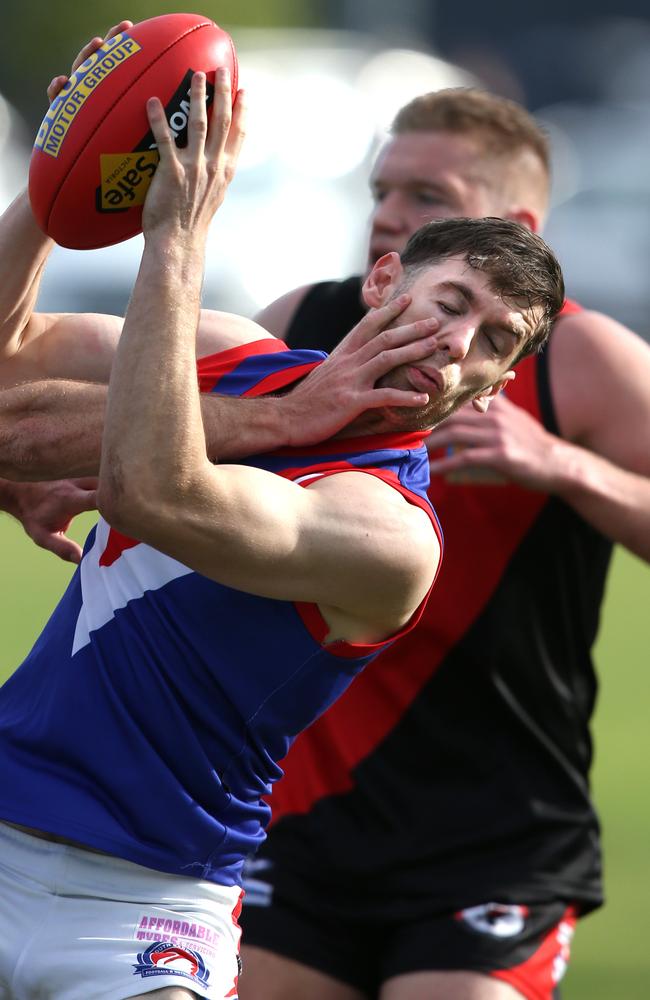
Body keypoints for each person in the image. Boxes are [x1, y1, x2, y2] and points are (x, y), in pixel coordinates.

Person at [0, 49, 565, 1000]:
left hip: (145, 913)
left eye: (495, 341)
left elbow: (155, 493)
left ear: (489, 393)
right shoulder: (238, 360)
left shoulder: (390, 535)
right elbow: (8, 368)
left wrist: (175, 237)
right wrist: (52, 191)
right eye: (453, 301)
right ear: (383, 281)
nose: (460, 341)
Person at [237, 90, 650, 999]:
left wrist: (564, 467)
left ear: (519, 225)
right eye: (383, 188)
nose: (388, 213)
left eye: (428, 196)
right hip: (298, 811)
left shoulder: (582, 360)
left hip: (496, 833)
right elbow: (179, 458)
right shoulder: (301, 324)